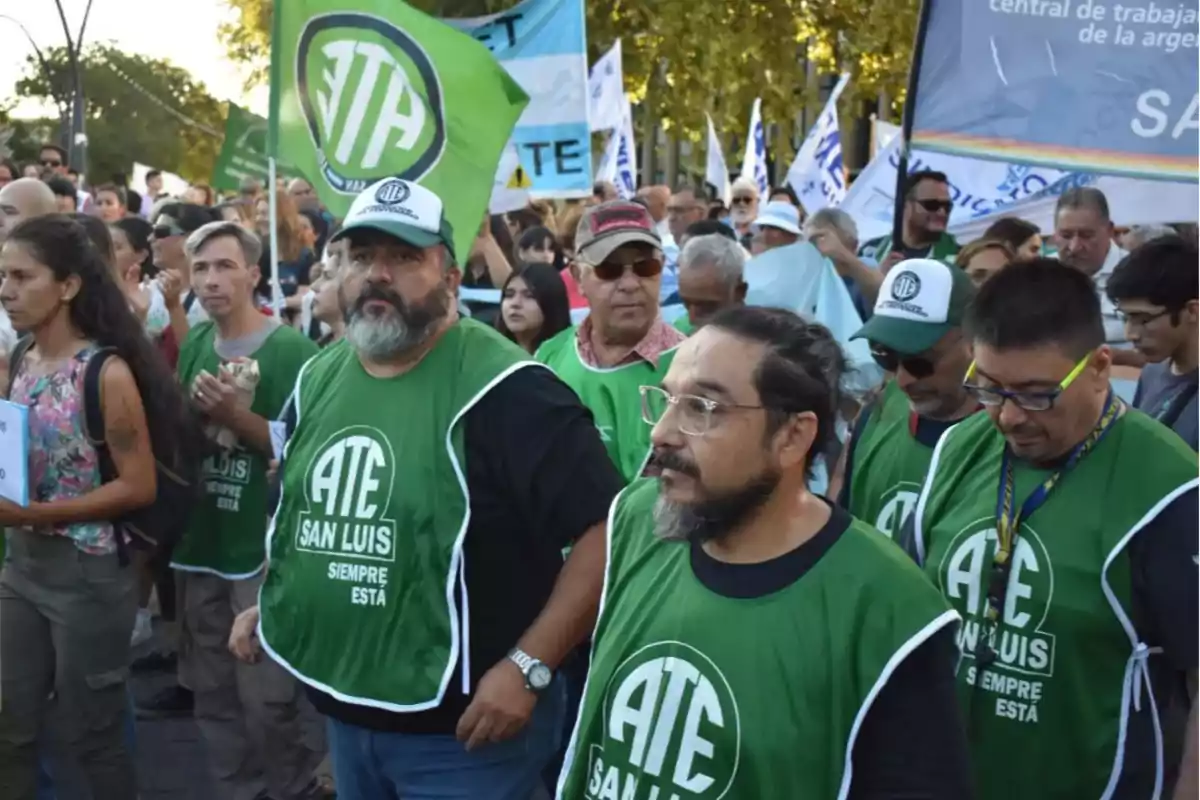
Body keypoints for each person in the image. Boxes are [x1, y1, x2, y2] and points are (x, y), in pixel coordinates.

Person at [229, 177, 622, 798]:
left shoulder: (513, 391)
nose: (376, 275)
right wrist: (282, 600)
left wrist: (530, 666)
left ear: (450, 278)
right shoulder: (320, 374)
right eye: (361, 257)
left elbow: (609, 529)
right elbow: (310, 510)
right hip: (349, 713)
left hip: (464, 739)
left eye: (404, 257)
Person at [556, 305, 972, 798]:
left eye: (702, 409)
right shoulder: (638, 517)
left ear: (792, 436)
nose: (661, 433)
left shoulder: (887, 609)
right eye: (666, 401)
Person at [899, 260, 1199, 799]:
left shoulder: (1168, 489)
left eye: (1037, 394)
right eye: (989, 389)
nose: (1009, 418)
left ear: (1100, 367)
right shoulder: (959, 449)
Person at [0, 214, 202, 799]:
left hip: (88, 577)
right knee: (11, 725)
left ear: (67, 286)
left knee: (94, 734)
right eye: (3, 275)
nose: (6, 290)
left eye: (21, 276)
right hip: (22, 566)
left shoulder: (104, 372)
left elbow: (139, 487)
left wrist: (32, 515)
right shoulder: (23, 358)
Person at [169, 220, 324, 799]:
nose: (210, 280)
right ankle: (237, 790)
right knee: (210, 691)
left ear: (254, 273)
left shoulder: (294, 351)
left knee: (267, 698)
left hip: (261, 550)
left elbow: (309, 451)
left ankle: (293, 787)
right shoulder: (194, 344)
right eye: (201, 268)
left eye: (224, 266)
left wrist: (239, 418)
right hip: (201, 540)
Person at [537, 200, 687, 481]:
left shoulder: (693, 368)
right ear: (578, 277)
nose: (630, 284)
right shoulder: (548, 359)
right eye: (609, 269)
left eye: (645, 267)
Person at [835, 259, 978, 538]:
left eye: (919, 361)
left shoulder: (1018, 435)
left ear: (973, 342)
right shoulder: (878, 413)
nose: (902, 380)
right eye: (885, 355)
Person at [1106, 236, 1199, 450]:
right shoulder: (1152, 372)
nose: (1131, 334)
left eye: (1144, 319)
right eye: (1126, 317)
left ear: (1192, 311)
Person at [1053, 187, 1141, 366]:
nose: (1074, 246)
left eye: (1086, 236)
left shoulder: (1141, 274)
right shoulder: (1039, 276)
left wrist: (1113, 356)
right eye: (1066, 235)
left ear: (1109, 230)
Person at [859, 170, 960, 270]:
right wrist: (878, 278)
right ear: (904, 205)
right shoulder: (871, 251)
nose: (941, 213)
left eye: (947, 206)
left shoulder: (960, 258)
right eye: (931, 205)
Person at [804, 206, 882, 319]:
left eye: (824, 239)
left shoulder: (866, 269)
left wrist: (843, 255)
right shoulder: (813, 280)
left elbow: (883, 297)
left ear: (853, 243)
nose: (820, 248)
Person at [675, 233, 746, 334]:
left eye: (707, 308)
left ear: (739, 293)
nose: (692, 319)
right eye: (686, 304)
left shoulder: (766, 343)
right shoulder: (677, 336)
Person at [496, 263, 571, 354]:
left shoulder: (566, 356)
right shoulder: (491, 354)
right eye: (509, 295)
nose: (515, 303)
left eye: (529, 296)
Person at [727, 176, 760, 246]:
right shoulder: (722, 228)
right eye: (736, 200)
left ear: (757, 202)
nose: (741, 204)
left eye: (747, 199)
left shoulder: (764, 230)